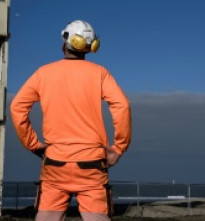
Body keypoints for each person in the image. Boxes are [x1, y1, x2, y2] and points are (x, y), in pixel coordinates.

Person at [10, 20, 132, 221]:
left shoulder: (43, 73)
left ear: (64, 43)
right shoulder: (100, 73)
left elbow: (17, 107)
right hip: (92, 164)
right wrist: (119, 148)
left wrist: (33, 144)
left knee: (47, 217)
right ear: (91, 47)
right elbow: (122, 106)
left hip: (54, 163)